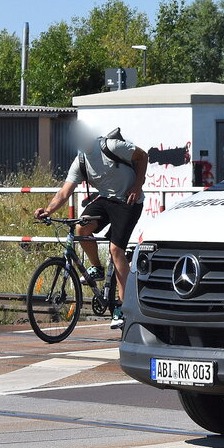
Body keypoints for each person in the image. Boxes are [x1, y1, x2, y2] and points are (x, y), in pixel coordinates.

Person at [35, 127, 147, 330]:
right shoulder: (80, 162)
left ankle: (124, 306)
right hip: (106, 199)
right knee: (81, 228)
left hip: (129, 200)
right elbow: (64, 193)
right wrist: (48, 211)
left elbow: (143, 156)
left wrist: (137, 186)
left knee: (116, 251)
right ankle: (97, 267)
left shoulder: (111, 146)